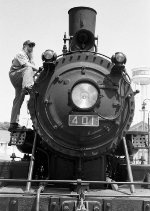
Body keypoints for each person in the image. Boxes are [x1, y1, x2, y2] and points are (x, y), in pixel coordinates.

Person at [8, 40, 39, 131]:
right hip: (16, 76)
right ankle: (28, 87)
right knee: (28, 68)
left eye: (33, 46)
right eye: (30, 45)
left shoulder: (30, 58)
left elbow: (34, 71)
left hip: (22, 79)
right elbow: (27, 65)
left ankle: (13, 123)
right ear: (25, 46)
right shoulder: (20, 54)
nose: (31, 48)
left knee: (18, 99)